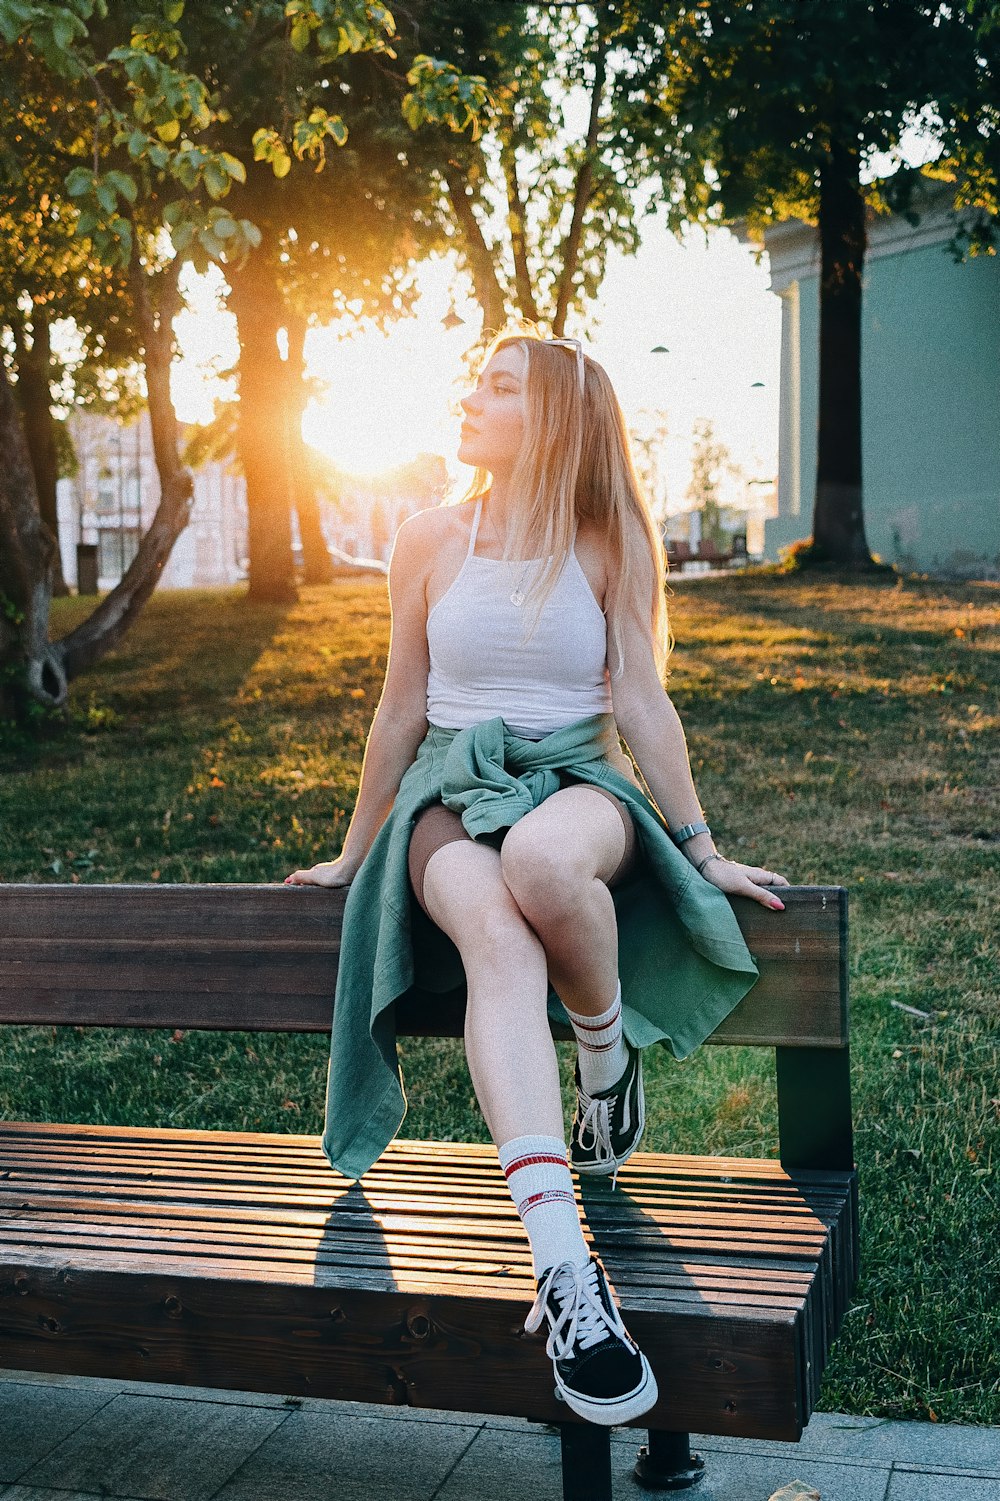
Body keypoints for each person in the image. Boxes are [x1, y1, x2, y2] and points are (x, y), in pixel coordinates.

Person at [284, 329, 789, 1427]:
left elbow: (643, 703)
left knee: (543, 860)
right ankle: (565, 1272)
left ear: (552, 417)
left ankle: (605, 1062)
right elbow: (401, 703)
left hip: (574, 783)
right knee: (497, 937)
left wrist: (701, 846)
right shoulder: (426, 535)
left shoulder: (609, 542)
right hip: (448, 794)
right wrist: (359, 846)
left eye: (496, 387)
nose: (468, 398)